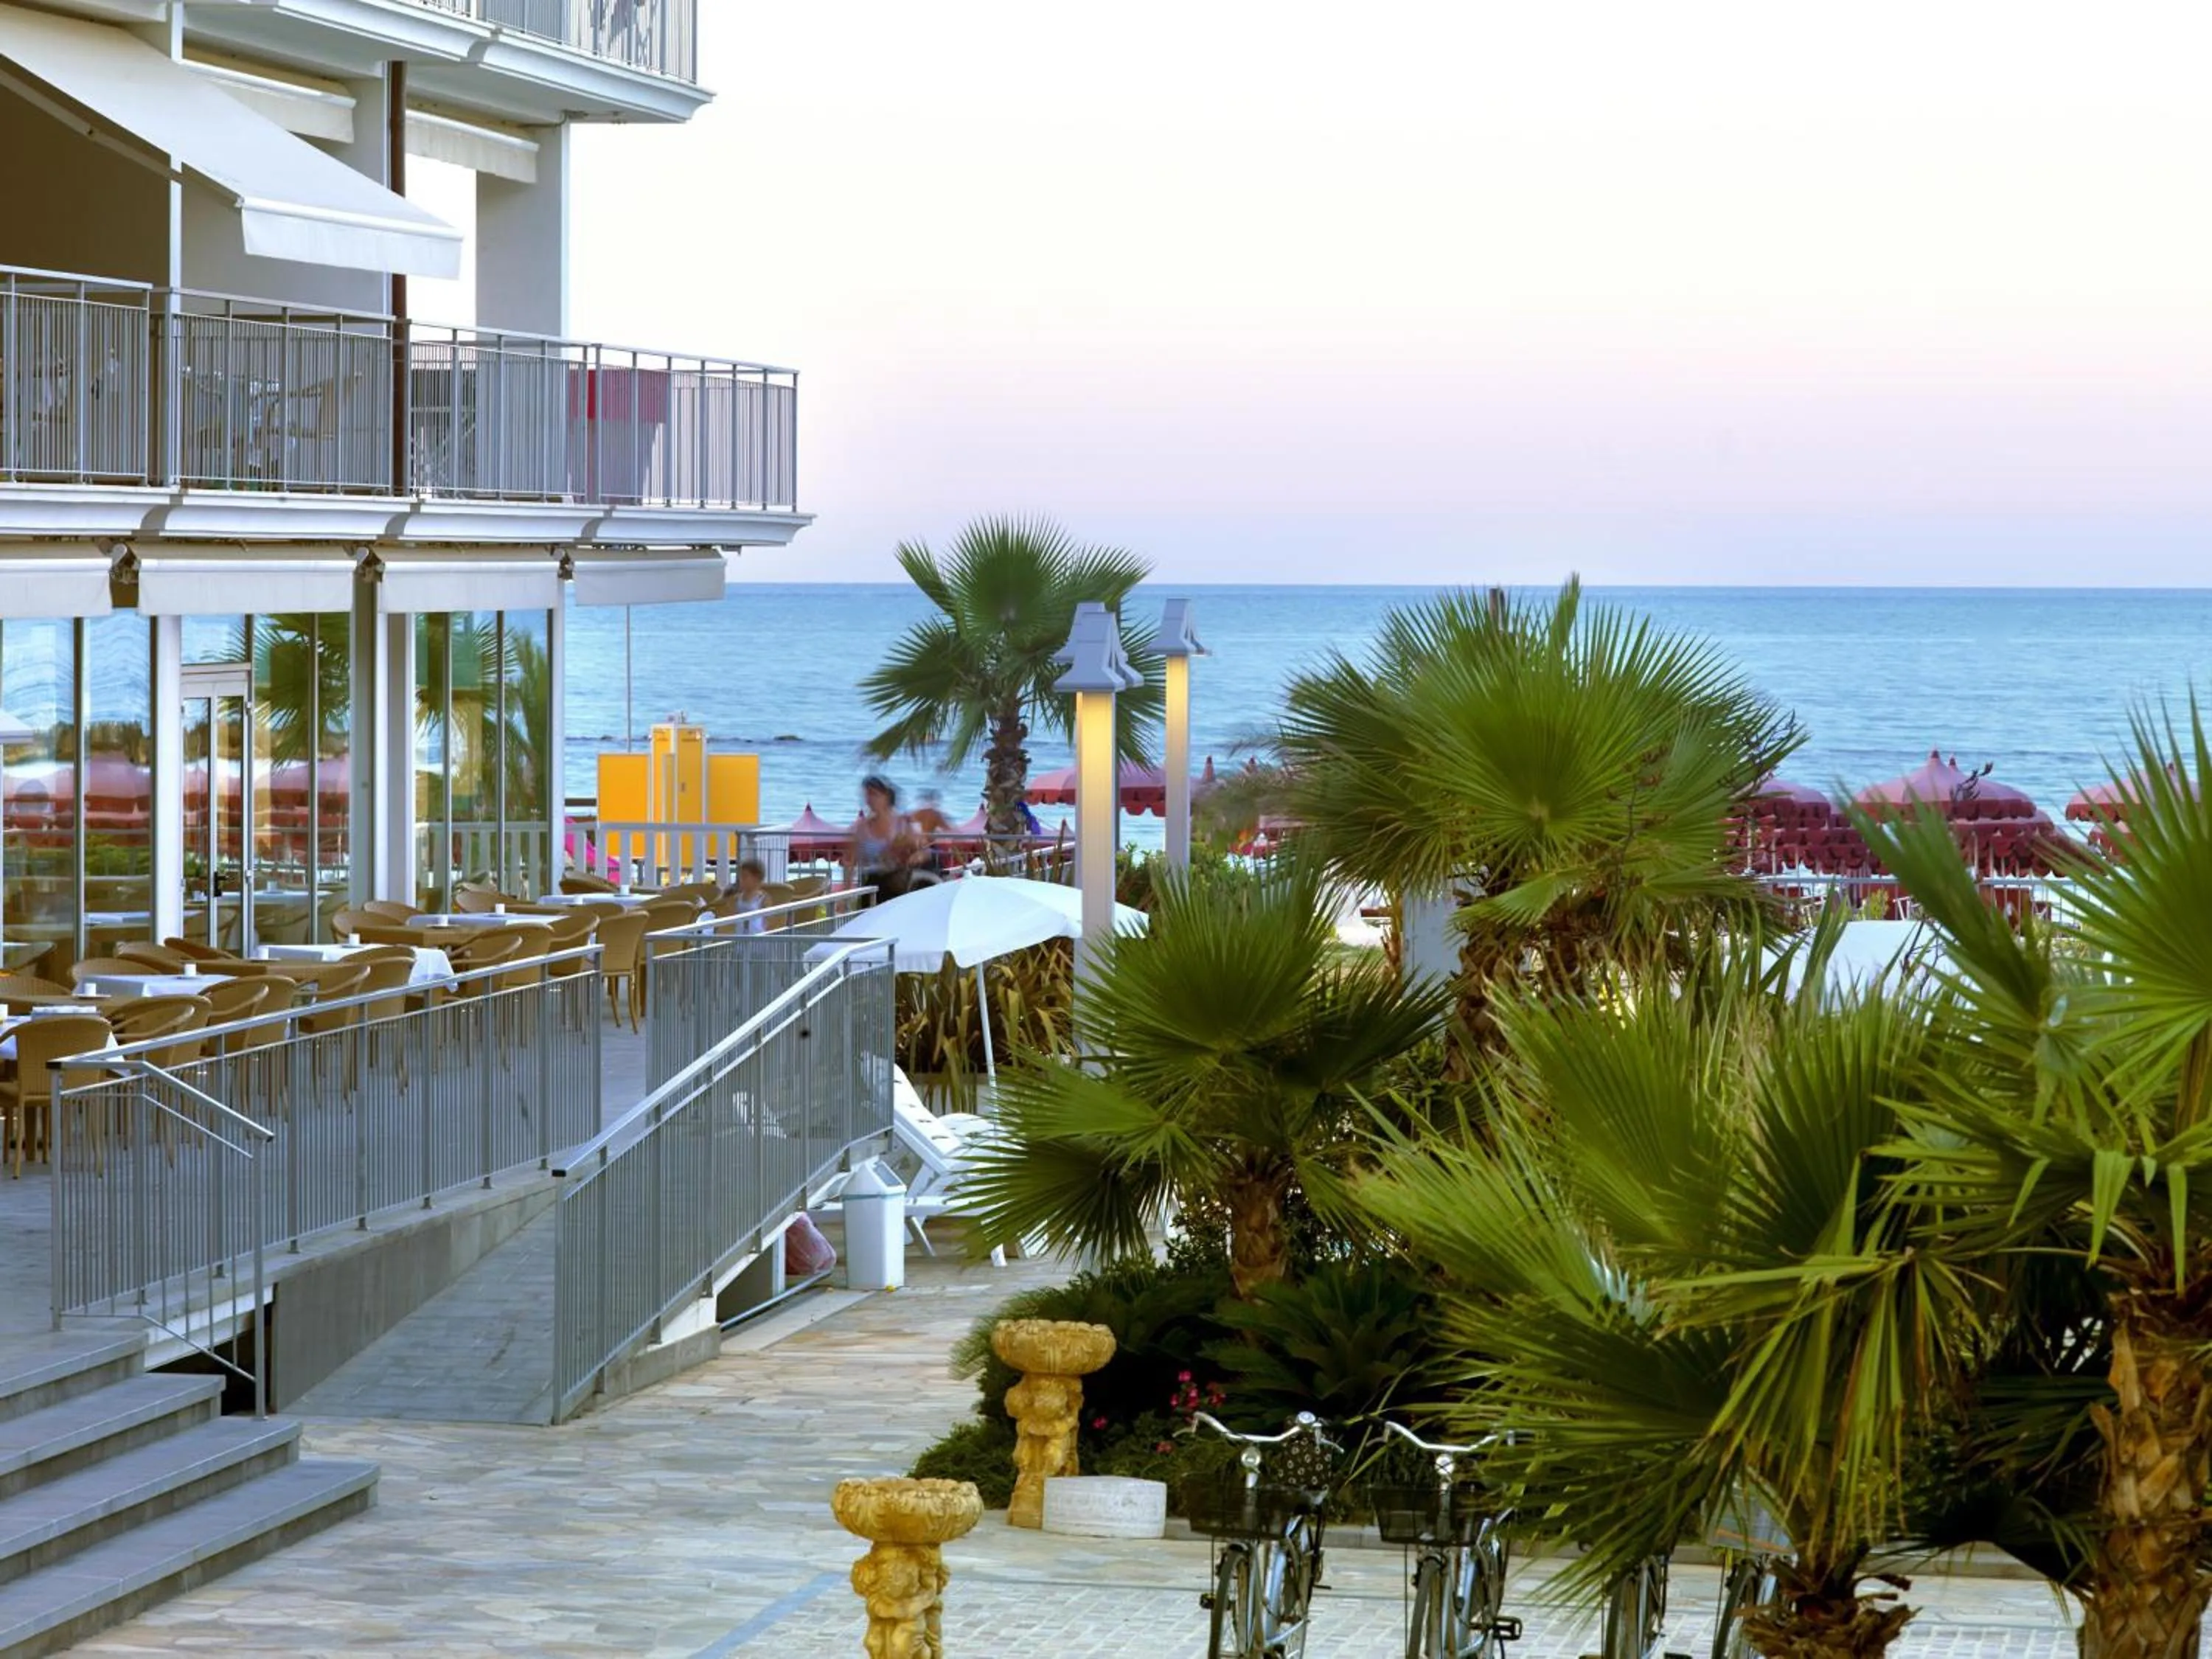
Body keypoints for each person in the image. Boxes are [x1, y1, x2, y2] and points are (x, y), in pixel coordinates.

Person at [846, 776, 914, 904]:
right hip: (872, 885)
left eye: (874, 794)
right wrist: (846, 895)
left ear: (886, 796)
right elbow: (850, 862)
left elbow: (917, 851)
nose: (869, 800)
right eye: (867, 795)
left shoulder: (902, 824)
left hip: (898, 884)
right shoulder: (862, 827)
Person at [724, 858, 768, 934]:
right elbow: (730, 916)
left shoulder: (762, 899)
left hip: (757, 935)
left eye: (745, 877)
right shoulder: (737, 898)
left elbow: (768, 921)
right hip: (740, 935)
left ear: (756, 879)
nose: (741, 880)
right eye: (740, 877)